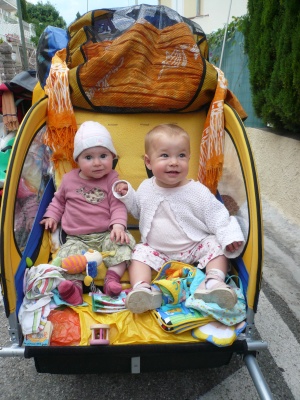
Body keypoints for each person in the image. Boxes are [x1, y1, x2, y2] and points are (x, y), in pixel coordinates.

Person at [113, 123, 245, 313]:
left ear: (189, 159)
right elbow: (138, 211)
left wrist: (229, 237)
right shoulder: (146, 187)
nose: (174, 162)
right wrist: (127, 195)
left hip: (193, 248)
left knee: (215, 243)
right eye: (165, 155)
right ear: (148, 162)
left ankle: (213, 283)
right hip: (157, 251)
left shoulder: (197, 191)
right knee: (138, 252)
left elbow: (218, 216)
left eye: (181, 155)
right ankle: (142, 289)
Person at [40, 121, 135, 300]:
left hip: (106, 234)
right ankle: (73, 288)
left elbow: (117, 205)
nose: (97, 163)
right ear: (77, 160)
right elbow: (58, 202)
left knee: (124, 243)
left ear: (112, 156)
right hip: (77, 238)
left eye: (103, 155)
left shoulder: (112, 179)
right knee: (67, 255)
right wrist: (51, 216)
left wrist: (118, 226)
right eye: (89, 158)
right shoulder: (68, 180)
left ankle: (112, 279)